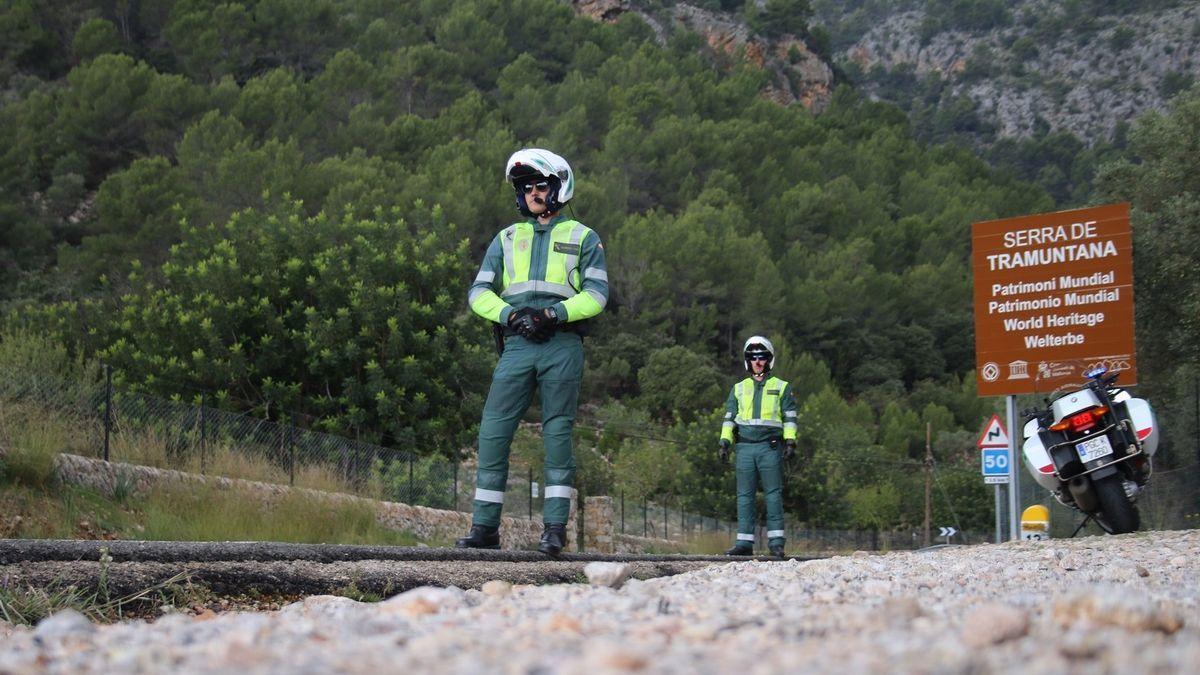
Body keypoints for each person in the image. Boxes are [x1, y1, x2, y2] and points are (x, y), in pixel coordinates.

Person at [455, 148, 609, 557]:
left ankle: (555, 530)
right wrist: (510, 316)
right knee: (492, 431)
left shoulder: (583, 237)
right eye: (526, 188)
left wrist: (554, 313)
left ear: (559, 186)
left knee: (557, 434)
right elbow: (478, 292)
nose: (534, 193)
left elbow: (596, 295)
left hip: (562, 343)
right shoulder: (507, 238)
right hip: (518, 344)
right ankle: (485, 528)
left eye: (541, 185)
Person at [718, 336, 797, 558]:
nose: (757, 362)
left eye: (762, 357)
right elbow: (729, 418)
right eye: (753, 357)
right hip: (744, 448)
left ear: (769, 360)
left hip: (769, 448)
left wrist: (791, 440)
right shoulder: (738, 388)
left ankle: (776, 544)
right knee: (744, 496)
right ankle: (744, 543)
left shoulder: (782, 387)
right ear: (747, 360)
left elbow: (790, 417)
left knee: (773, 495)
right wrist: (724, 442)